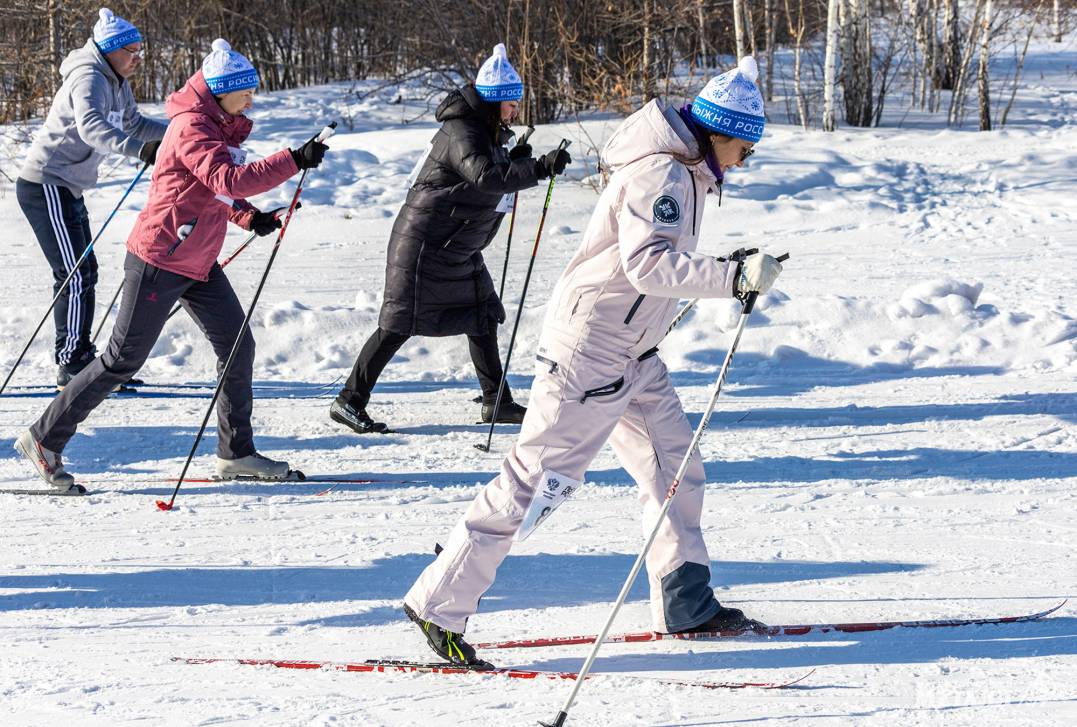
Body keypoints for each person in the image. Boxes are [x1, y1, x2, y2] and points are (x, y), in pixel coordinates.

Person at [402, 57, 784, 665]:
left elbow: (653, 264)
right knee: (533, 481)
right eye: (748, 147)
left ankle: (686, 600)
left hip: (633, 354)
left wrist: (726, 266)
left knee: (675, 466)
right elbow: (647, 266)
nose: (746, 160)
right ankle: (438, 604)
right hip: (591, 353)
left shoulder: (684, 171)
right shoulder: (664, 173)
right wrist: (731, 276)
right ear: (722, 134)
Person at [14, 38, 329, 492]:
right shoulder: (192, 128)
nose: (251, 100)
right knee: (120, 360)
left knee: (238, 347)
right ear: (221, 91)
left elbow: (212, 189)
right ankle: (43, 438)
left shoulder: (217, 125)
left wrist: (248, 216)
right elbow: (229, 177)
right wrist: (294, 159)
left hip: (198, 259)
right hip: (160, 258)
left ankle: (235, 453)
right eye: (246, 91)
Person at [330, 44, 571, 435]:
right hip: (425, 244)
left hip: (456, 246)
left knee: (482, 314)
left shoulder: (483, 129)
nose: (514, 111)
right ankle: (348, 401)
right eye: (510, 103)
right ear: (493, 102)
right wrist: (537, 167)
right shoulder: (462, 129)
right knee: (398, 323)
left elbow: (487, 172)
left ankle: (497, 402)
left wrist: (515, 159)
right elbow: (485, 178)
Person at [16, 8, 168, 390]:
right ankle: (71, 363)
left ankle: (79, 356)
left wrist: (179, 135)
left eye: (139, 51)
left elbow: (134, 123)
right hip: (45, 183)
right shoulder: (89, 78)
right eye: (130, 51)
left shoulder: (116, 81)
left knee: (84, 271)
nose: (137, 58)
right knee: (74, 273)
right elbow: (92, 129)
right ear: (110, 50)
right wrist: (139, 151)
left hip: (66, 186)